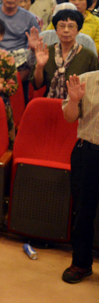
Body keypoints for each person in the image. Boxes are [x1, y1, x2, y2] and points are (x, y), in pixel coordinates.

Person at [61, 73, 99, 284]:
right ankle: (81, 263)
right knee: (83, 211)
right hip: (88, 151)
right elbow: (69, 117)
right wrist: (74, 100)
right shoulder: (86, 80)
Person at [32, 9, 99, 98]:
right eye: (62, 26)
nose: (66, 30)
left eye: (71, 26)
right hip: (51, 102)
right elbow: (37, 85)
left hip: (80, 104)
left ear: (78, 30)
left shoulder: (89, 55)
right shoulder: (46, 52)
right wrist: (40, 66)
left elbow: (95, 87)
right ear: (56, 30)